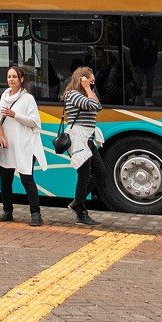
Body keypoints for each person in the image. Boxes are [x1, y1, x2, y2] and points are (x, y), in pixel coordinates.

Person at [0, 66, 44, 225]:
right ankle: (7, 211)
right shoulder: (4, 95)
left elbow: (35, 122)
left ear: (21, 79)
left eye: (14, 76)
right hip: (7, 144)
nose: (11, 79)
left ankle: (36, 213)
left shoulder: (28, 99)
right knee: (5, 180)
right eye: (9, 76)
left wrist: (15, 115)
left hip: (23, 145)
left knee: (27, 178)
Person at [61, 65, 103, 225]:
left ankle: (78, 202)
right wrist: (87, 88)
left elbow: (98, 106)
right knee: (84, 175)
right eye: (91, 81)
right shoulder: (72, 94)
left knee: (101, 172)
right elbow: (93, 105)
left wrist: (89, 90)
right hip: (78, 138)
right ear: (82, 79)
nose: (93, 84)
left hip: (88, 138)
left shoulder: (87, 94)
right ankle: (81, 212)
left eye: (93, 82)